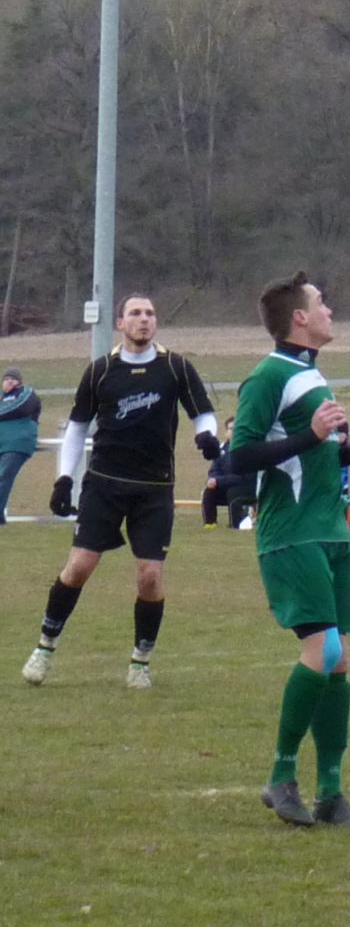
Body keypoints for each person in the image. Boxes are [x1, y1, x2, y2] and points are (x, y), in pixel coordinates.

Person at [228, 271, 350, 828]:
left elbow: (303, 456)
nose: (329, 310)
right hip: (291, 533)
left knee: (339, 661)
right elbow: (240, 456)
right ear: (299, 317)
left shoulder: (310, 374)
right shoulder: (268, 375)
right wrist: (312, 435)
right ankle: (281, 776)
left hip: (330, 530)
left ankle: (331, 793)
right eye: (321, 303)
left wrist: (345, 453)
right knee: (324, 650)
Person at [20, 296, 219, 691]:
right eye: (135, 314)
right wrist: (64, 479)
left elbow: (203, 413)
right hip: (104, 485)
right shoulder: (101, 371)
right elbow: (78, 426)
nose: (144, 320)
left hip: (155, 488)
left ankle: (140, 662)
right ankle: (45, 647)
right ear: (120, 323)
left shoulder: (175, 367)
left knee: (150, 577)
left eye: (150, 313)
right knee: (78, 568)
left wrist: (207, 436)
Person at [0, 366, 40, 522]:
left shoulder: (26, 393)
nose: (9, 381)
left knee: (3, 476)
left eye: (13, 379)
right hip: (2, 443)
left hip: (16, 443)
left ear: (19, 382)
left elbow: (22, 408)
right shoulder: (2, 399)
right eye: (6, 379)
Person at [203, 417, 255, 529]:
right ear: (226, 432)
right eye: (231, 429)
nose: (234, 432)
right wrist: (212, 480)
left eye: (237, 429)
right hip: (225, 486)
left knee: (233, 492)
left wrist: (218, 481)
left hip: (246, 487)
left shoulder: (247, 449)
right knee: (209, 492)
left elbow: (243, 477)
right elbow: (215, 470)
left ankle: (234, 525)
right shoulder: (221, 450)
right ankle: (210, 524)